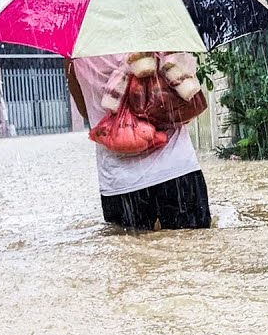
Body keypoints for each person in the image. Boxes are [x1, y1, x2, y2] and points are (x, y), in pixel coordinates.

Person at [64, 53, 211, 231]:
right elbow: (184, 92)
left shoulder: (76, 52)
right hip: (176, 170)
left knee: (133, 254)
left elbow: (85, 112)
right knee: (193, 250)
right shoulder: (149, 32)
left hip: (121, 182)